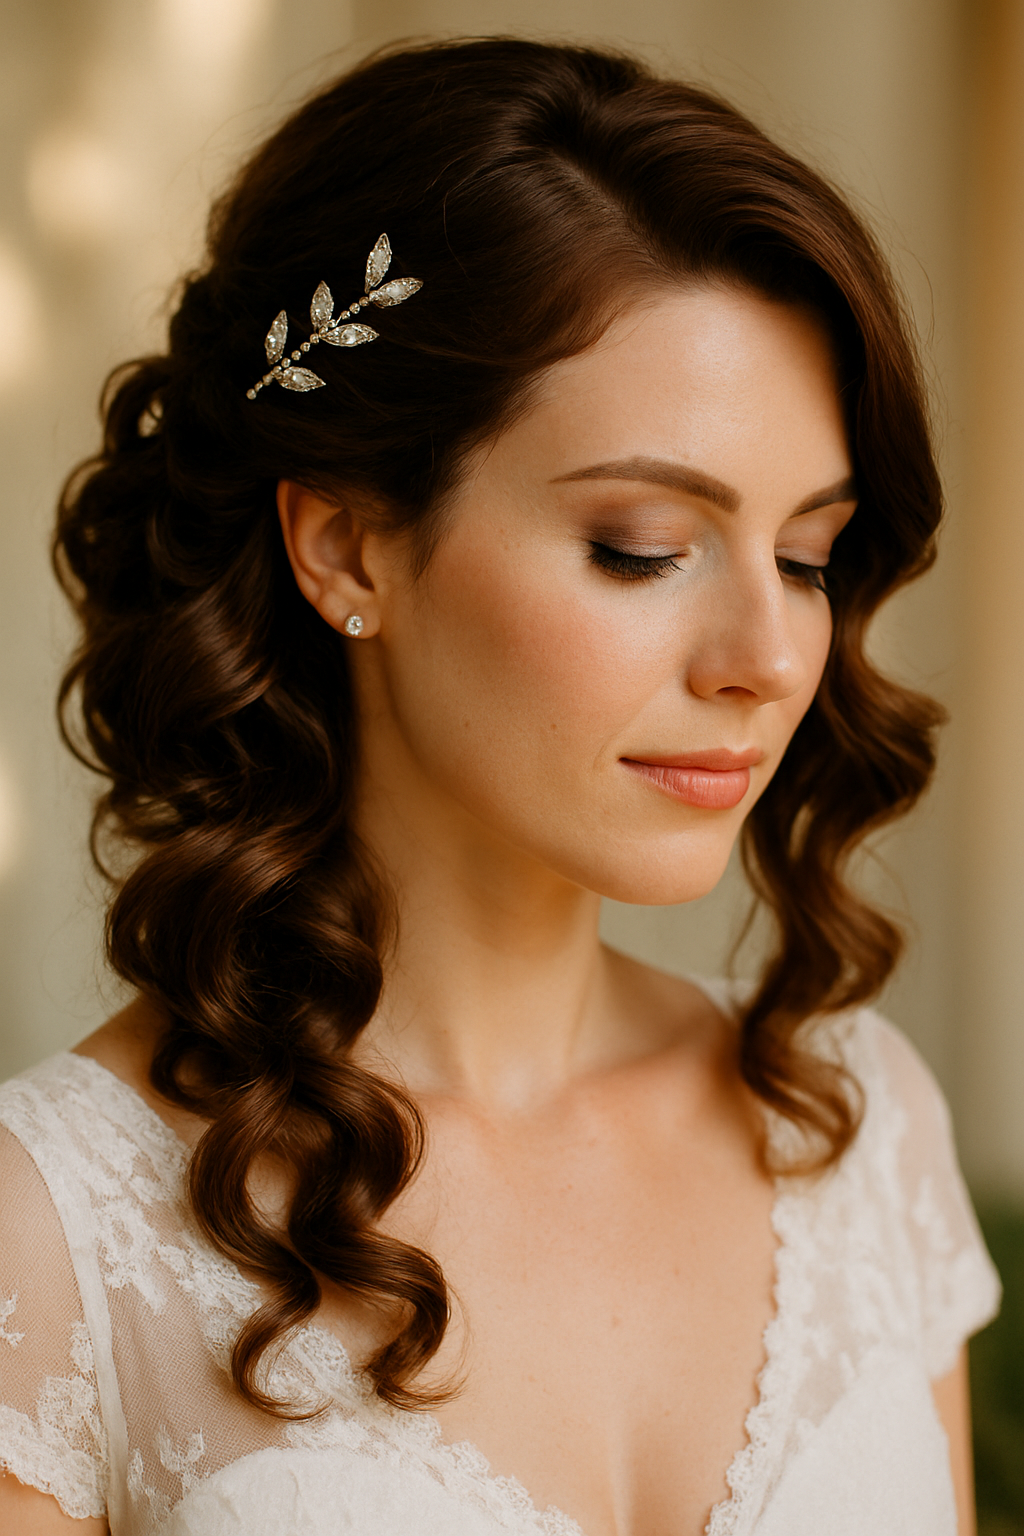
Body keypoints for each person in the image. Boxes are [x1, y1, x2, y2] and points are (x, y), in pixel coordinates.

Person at [0, 36, 1000, 1536]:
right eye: (643, 546)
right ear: (345, 545)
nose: (768, 655)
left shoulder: (857, 1133)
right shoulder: (58, 1243)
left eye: (805, 556)